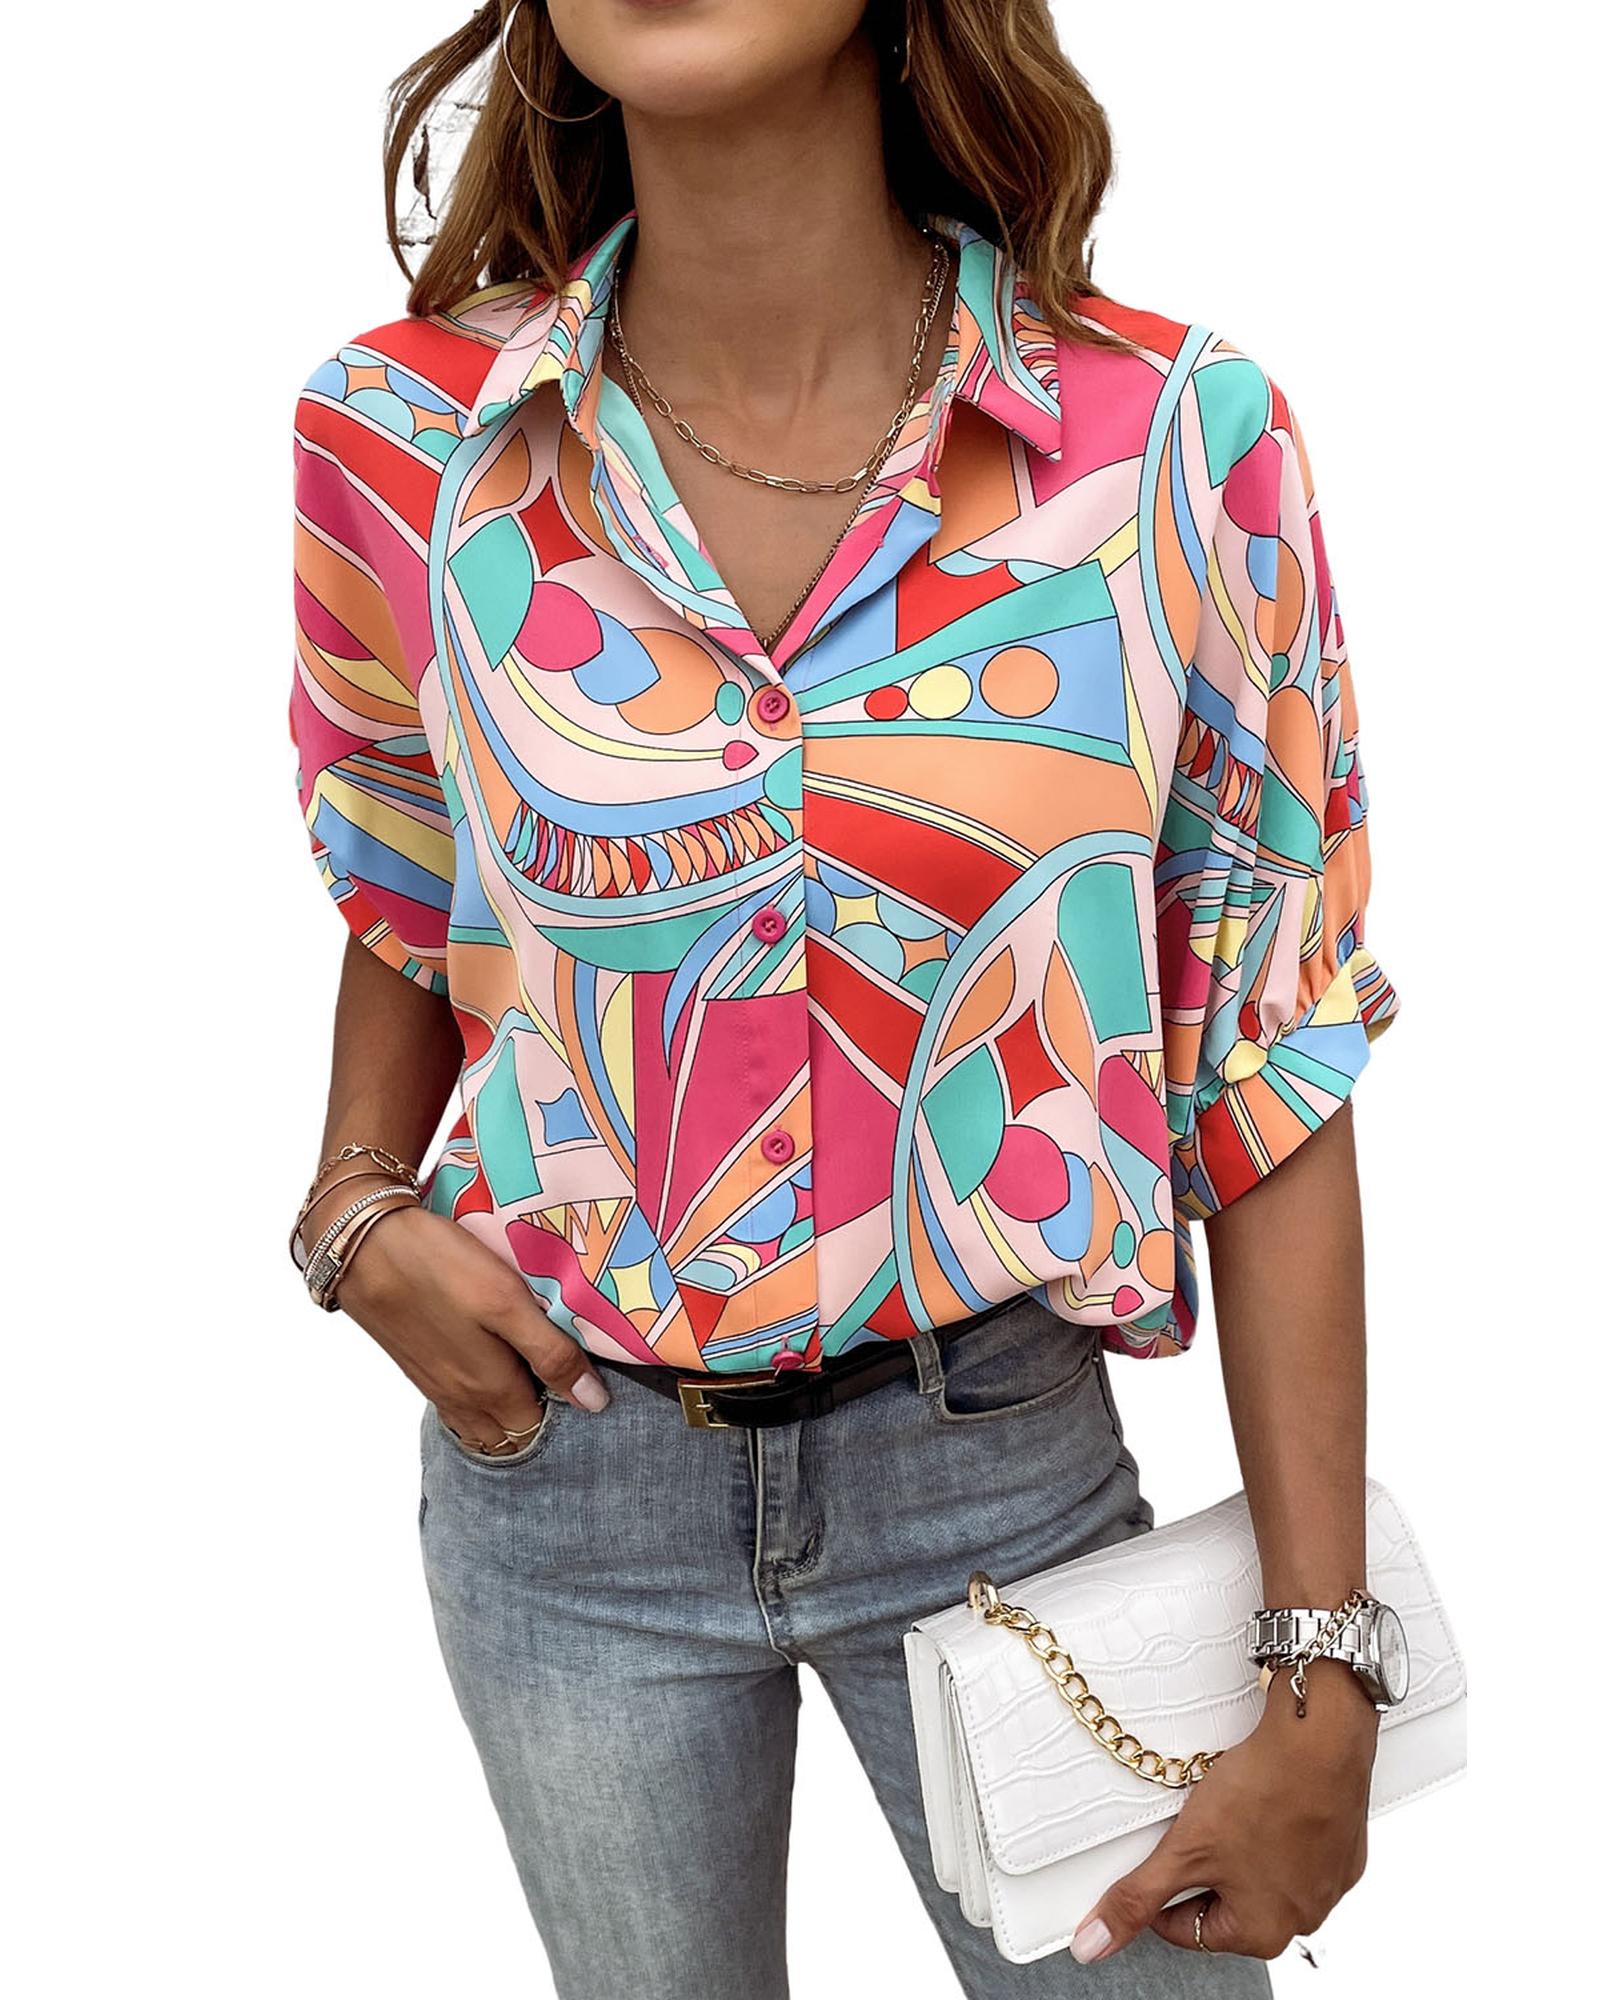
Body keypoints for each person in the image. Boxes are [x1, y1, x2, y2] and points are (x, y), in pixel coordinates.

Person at [286, 3, 1399, 1994]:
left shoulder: (1164, 436)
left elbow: (1265, 1043)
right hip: (566, 1488)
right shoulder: (402, 435)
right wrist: (353, 1204)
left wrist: (1323, 1666)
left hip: (997, 1474)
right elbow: (410, 872)